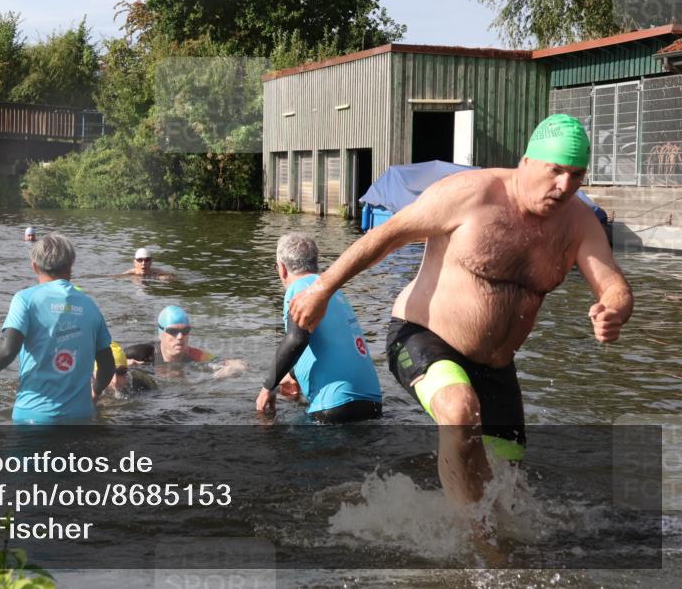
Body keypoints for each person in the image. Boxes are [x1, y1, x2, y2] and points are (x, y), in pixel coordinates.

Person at [288, 114, 634, 507]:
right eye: (555, 171)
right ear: (526, 162)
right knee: (459, 410)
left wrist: (613, 310)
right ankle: (475, 547)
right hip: (423, 335)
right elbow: (384, 237)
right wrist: (322, 288)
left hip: (497, 366)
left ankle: (418, 510)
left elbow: (614, 285)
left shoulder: (578, 223)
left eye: (576, 175)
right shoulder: (471, 195)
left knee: (508, 488)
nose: (564, 186)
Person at [0, 232, 116, 423]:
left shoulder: (25, 299)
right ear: (71, 265)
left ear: (34, 266)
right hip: (80, 417)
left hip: (34, 416)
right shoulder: (90, 306)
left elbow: (7, 348)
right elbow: (107, 365)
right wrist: (95, 393)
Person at [256, 233, 383, 423]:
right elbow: (331, 343)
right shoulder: (334, 291)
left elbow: (296, 339)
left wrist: (268, 387)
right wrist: (292, 375)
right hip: (372, 404)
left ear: (282, 269)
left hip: (334, 406)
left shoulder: (298, 290)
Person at [124, 306, 217, 365]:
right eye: (173, 331)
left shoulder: (195, 355)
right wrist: (120, 364)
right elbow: (109, 360)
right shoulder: (140, 353)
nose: (180, 336)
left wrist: (231, 367)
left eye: (185, 330)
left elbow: (223, 362)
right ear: (160, 334)